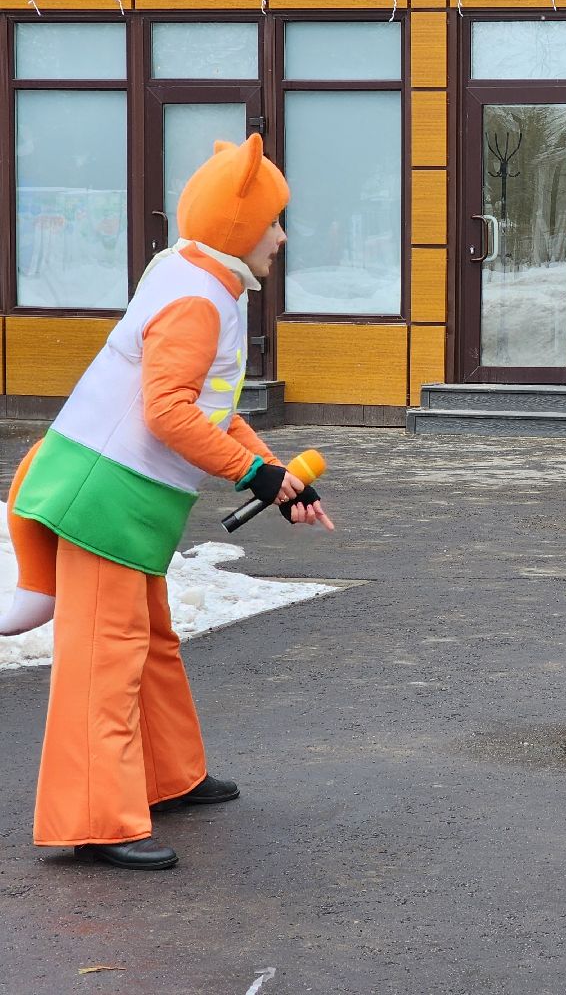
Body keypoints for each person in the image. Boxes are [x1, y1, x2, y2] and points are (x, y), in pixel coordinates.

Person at [1, 134, 334, 870]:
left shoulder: (199, 277)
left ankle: (167, 775)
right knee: (104, 661)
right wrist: (258, 477)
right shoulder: (195, 299)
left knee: (148, 645)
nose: (281, 236)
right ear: (238, 224)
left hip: (122, 500)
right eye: (273, 219)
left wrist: (277, 478)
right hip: (102, 500)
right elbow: (169, 413)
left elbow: (208, 412)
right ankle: (95, 820)